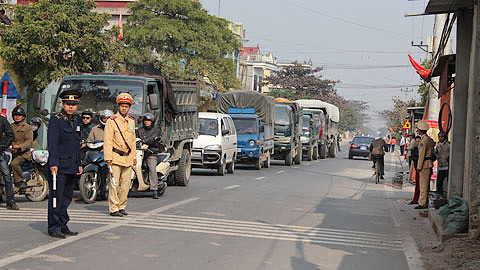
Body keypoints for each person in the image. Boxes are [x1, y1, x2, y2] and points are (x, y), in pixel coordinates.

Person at [47, 90, 83, 238]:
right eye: (68, 104)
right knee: (57, 197)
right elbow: (53, 143)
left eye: (74, 105)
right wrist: (53, 163)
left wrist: (79, 163)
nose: (71, 107)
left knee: (67, 197)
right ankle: (54, 227)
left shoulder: (76, 120)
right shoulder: (56, 119)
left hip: (72, 165)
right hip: (59, 165)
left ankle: (63, 224)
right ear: (63, 104)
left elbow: (77, 144)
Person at [104, 93, 136, 217]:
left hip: (127, 158)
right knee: (114, 184)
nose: (124, 108)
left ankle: (122, 206)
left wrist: (134, 157)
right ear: (118, 106)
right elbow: (108, 140)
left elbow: (133, 140)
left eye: (126, 106)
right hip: (115, 156)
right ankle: (114, 208)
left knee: (125, 185)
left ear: (129, 108)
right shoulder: (112, 121)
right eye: (122, 106)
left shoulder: (131, 121)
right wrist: (108, 158)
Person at [136, 113, 163, 199]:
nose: (147, 122)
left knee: (152, 169)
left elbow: (154, 139)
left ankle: (154, 189)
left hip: (151, 153)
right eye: (145, 121)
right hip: (139, 152)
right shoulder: (139, 130)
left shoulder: (156, 130)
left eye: (149, 121)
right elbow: (135, 138)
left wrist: (144, 141)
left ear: (152, 122)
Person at [10, 106, 33, 189]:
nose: (17, 116)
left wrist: (19, 146)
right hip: (11, 153)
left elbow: (29, 142)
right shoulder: (10, 126)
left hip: (23, 154)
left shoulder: (27, 127)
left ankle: (20, 181)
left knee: (14, 163)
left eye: (19, 115)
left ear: (23, 117)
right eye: (15, 115)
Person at [415, 120, 435, 210]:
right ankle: (425, 201)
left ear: (420, 130)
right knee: (426, 185)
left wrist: (419, 166)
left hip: (424, 164)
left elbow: (422, 154)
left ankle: (422, 203)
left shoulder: (424, 140)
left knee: (423, 185)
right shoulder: (430, 139)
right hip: (429, 163)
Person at [0, 113, 17, 210]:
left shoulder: (2, 120)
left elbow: (10, 135)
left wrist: (3, 146)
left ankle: (10, 200)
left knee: (7, 175)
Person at [435, 132, 450, 197]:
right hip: (441, 166)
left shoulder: (448, 145)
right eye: (439, 137)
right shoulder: (438, 145)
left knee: (448, 181)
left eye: (442, 137)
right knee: (439, 182)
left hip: (447, 166)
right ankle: (440, 195)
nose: (440, 138)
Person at [409, 136, 421, 204]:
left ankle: (423, 201)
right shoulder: (414, 150)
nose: (417, 143)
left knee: (424, 187)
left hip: (424, 170)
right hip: (418, 169)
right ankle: (415, 199)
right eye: (416, 142)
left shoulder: (424, 149)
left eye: (419, 141)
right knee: (417, 185)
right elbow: (414, 158)